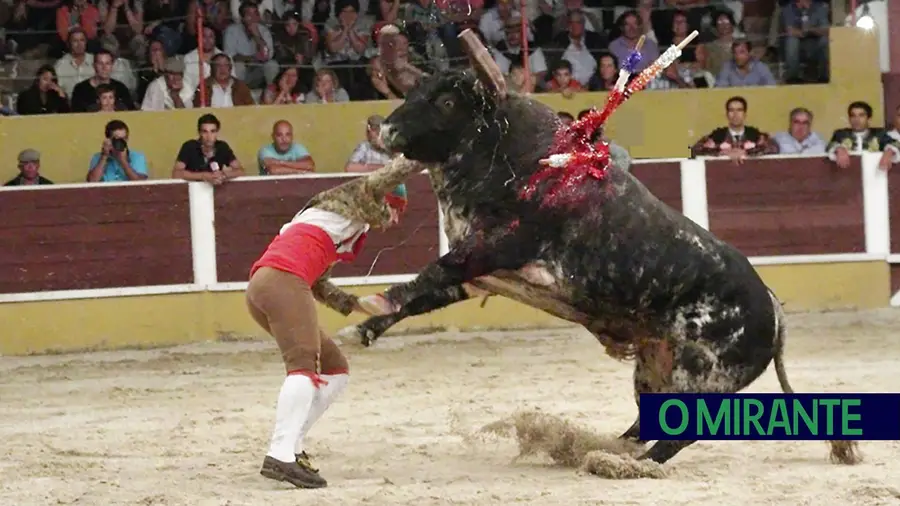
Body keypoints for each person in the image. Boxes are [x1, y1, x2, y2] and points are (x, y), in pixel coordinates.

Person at [247, 155, 423, 489]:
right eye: (396, 207)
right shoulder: (355, 197)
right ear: (383, 197)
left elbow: (319, 283)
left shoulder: (333, 218)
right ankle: (280, 454)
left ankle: (291, 446)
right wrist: (420, 154)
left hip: (268, 283)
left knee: (335, 368)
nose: (396, 218)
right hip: (283, 280)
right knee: (303, 366)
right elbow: (385, 178)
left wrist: (355, 305)